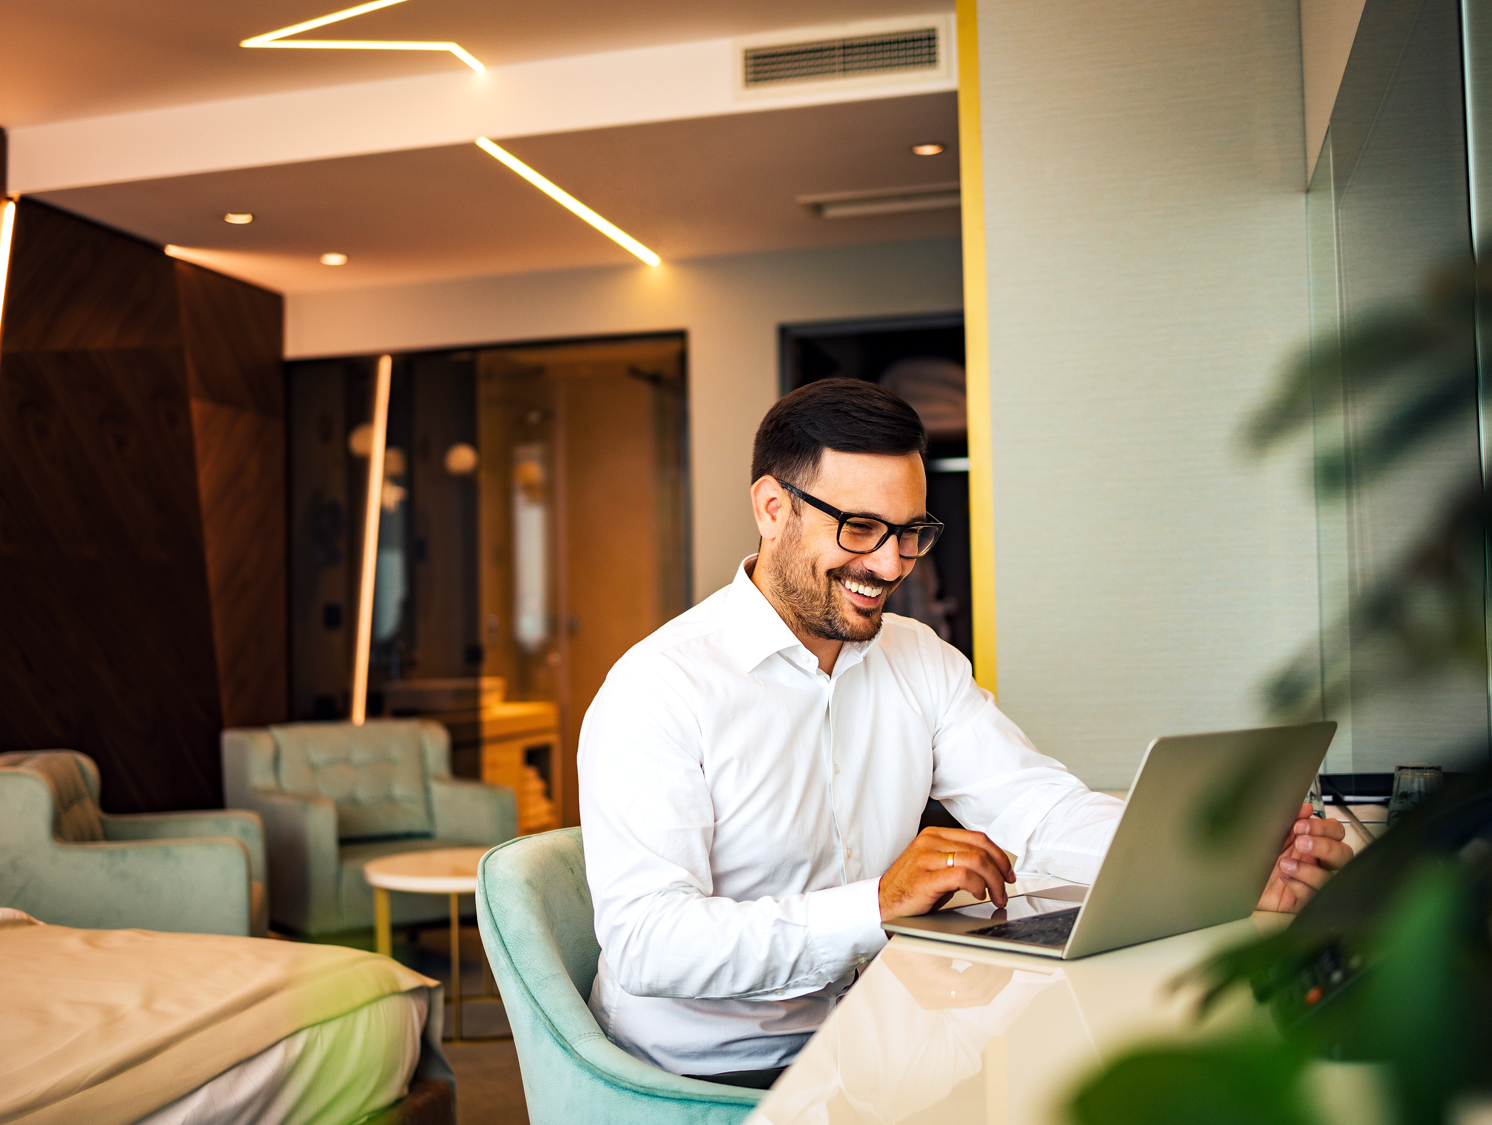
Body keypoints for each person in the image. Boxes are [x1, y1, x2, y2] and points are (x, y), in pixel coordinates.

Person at [577, 379, 1352, 1088]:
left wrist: (1231, 855)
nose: (889, 563)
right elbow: (650, 940)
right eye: (859, 528)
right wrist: (876, 902)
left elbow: (1041, 811)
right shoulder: (659, 688)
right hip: (707, 1074)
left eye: (910, 532)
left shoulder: (919, 658)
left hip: (877, 1032)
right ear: (773, 509)